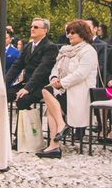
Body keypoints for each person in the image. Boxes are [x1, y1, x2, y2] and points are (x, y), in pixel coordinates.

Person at [37, 20, 98, 159]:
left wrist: (61, 83)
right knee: (49, 96)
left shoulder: (88, 51)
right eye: (68, 32)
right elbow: (55, 68)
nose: (69, 35)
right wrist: (53, 78)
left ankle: (56, 141)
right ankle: (57, 136)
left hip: (78, 92)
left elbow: (81, 73)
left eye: (73, 33)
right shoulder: (65, 50)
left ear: (82, 34)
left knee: (47, 93)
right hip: (64, 90)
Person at [5, 18, 58, 110]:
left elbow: (42, 70)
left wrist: (27, 88)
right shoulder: (28, 46)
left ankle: (33, 123)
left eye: (36, 27)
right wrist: (4, 83)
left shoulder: (50, 47)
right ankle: (3, 124)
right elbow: (17, 66)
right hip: (27, 82)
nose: (32, 29)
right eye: (31, 26)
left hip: (41, 85)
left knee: (22, 100)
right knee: (3, 94)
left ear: (45, 30)